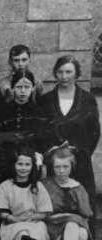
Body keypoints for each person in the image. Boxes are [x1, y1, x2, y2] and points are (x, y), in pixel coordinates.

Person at [40, 55, 100, 222]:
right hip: (54, 162)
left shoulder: (87, 99)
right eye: (60, 72)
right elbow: (40, 130)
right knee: (54, 204)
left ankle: (84, 237)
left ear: (76, 74)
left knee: (82, 204)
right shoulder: (45, 100)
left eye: (68, 72)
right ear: (55, 73)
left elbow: (94, 131)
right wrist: (53, 150)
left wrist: (79, 151)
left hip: (80, 161)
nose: (64, 76)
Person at [42, 144, 92, 240]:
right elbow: (43, 211)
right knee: (73, 224)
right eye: (58, 167)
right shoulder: (46, 184)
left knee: (79, 230)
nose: (62, 171)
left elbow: (86, 215)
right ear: (53, 167)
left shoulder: (78, 187)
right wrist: (68, 217)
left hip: (72, 229)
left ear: (72, 167)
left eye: (65, 167)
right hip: (52, 227)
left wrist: (72, 218)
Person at [0, 70, 48, 154]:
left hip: (31, 154)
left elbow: (41, 139)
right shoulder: (3, 110)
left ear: (33, 88)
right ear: (12, 88)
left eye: (27, 87)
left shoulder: (38, 112)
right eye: (19, 87)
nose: (23, 91)